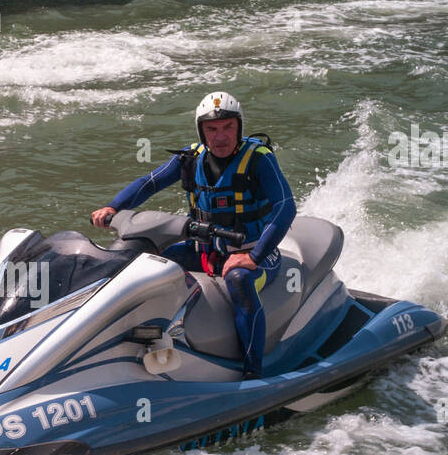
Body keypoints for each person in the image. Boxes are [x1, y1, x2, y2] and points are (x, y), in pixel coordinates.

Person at [91, 91, 296, 379]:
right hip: (205, 252)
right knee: (148, 267)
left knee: (239, 281)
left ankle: (253, 373)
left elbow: (286, 207)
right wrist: (114, 206)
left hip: (258, 253)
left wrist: (253, 256)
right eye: (212, 129)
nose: (220, 136)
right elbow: (149, 184)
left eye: (228, 128)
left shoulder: (258, 159)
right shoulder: (192, 158)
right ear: (201, 131)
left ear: (240, 127)